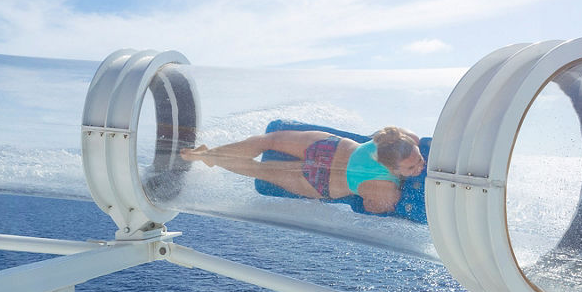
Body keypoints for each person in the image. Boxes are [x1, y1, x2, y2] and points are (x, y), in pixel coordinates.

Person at [181, 126, 425, 214]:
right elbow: (370, 207)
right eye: (412, 166)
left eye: (419, 159)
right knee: (259, 170)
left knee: (270, 140)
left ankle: (205, 153)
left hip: (329, 147)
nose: (420, 166)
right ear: (391, 167)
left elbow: (412, 136)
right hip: (322, 182)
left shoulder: (399, 138)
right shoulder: (389, 191)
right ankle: (209, 157)